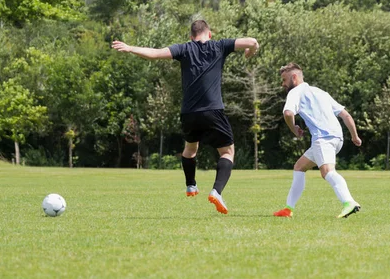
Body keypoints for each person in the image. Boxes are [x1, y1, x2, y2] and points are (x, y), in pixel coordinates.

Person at [112, 19, 259, 214]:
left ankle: (191, 185)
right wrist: (251, 51)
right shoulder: (220, 45)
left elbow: (155, 54)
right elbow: (252, 41)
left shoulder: (184, 49)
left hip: (189, 112)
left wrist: (130, 48)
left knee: (190, 149)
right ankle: (216, 191)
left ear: (191, 36)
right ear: (210, 34)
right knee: (227, 152)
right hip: (212, 110)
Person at [274, 62, 362, 219]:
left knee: (327, 172)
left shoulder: (295, 93)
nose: (283, 84)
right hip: (336, 138)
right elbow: (346, 115)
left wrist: (294, 129)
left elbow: (288, 114)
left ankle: (349, 202)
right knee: (299, 167)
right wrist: (354, 136)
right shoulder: (321, 92)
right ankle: (288, 209)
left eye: (285, 79)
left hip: (323, 138)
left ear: (294, 77)